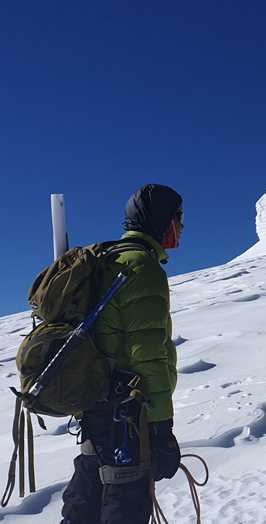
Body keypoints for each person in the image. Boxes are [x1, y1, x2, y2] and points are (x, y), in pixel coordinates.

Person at [61, 184, 183, 524]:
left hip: (93, 404)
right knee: (125, 503)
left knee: (86, 499)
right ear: (163, 222)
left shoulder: (106, 260)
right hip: (127, 414)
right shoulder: (142, 268)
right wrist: (161, 427)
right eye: (178, 219)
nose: (182, 228)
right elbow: (147, 355)